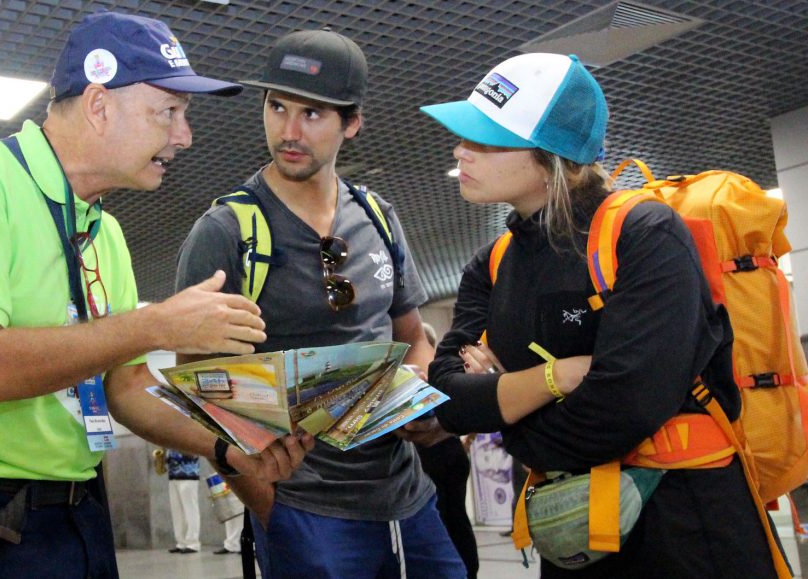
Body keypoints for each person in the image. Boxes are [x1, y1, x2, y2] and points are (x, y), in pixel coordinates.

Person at [0, 12, 312, 579]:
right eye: (169, 112)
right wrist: (154, 327)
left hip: (76, 505)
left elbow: (125, 388)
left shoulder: (105, 231)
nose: (184, 136)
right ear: (99, 106)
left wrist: (230, 446)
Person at [420, 52, 782, 577]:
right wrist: (556, 377)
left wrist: (506, 405)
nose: (461, 151)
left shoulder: (643, 236)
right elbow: (450, 399)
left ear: (551, 155)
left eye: (487, 140)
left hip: (687, 530)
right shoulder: (493, 263)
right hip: (573, 537)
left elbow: (625, 407)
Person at [176, 29, 465, 579]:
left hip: (407, 496)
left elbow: (412, 340)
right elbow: (198, 392)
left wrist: (420, 406)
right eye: (277, 106)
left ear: (352, 123)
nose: (288, 131)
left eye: (312, 114)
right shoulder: (226, 232)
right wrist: (265, 501)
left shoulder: (377, 215)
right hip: (306, 509)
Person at [415, 323, 479, 577]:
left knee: (447, 518)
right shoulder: (443, 376)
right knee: (455, 517)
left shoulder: (429, 377)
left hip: (437, 456)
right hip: (450, 454)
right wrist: (464, 441)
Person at [166, 450, 201, 554]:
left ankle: (193, 543)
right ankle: (181, 542)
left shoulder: (189, 434)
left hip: (189, 475)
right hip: (173, 476)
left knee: (190, 510)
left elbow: (193, 453)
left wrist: (173, 444)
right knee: (177, 511)